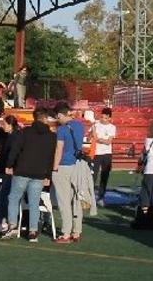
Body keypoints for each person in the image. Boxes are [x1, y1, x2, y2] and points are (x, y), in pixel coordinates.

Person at [2, 107, 57, 241]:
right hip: (39, 173)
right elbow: (51, 157)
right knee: (34, 202)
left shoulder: (24, 132)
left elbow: (15, 150)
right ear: (44, 119)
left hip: (22, 170)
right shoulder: (51, 136)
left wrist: (9, 165)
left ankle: (13, 226)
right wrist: (48, 176)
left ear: (34, 117)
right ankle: (33, 231)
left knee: (14, 198)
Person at [51, 101, 90, 244]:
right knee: (76, 200)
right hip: (77, 165)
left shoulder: (61, 129)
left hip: (63, 166)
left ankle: (66, 233)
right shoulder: (79, 125)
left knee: (64, 201)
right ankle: (77, 231)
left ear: (60, 114)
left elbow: (59, 150)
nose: (57, 119)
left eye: (57, 117)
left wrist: (54, 168)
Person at [92, 108, 116, 205]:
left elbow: (108, 142)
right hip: (97, 153)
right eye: (101, 117)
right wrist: (98, 138)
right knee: (93, 175)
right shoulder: (96, 125)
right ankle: (90, 196)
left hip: (107, 154)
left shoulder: (112, 127)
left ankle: (101, 197)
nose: (102, 119)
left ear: (109, 118)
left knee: (104, 176)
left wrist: (99, 139)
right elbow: (93, 137)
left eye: (105, 118)